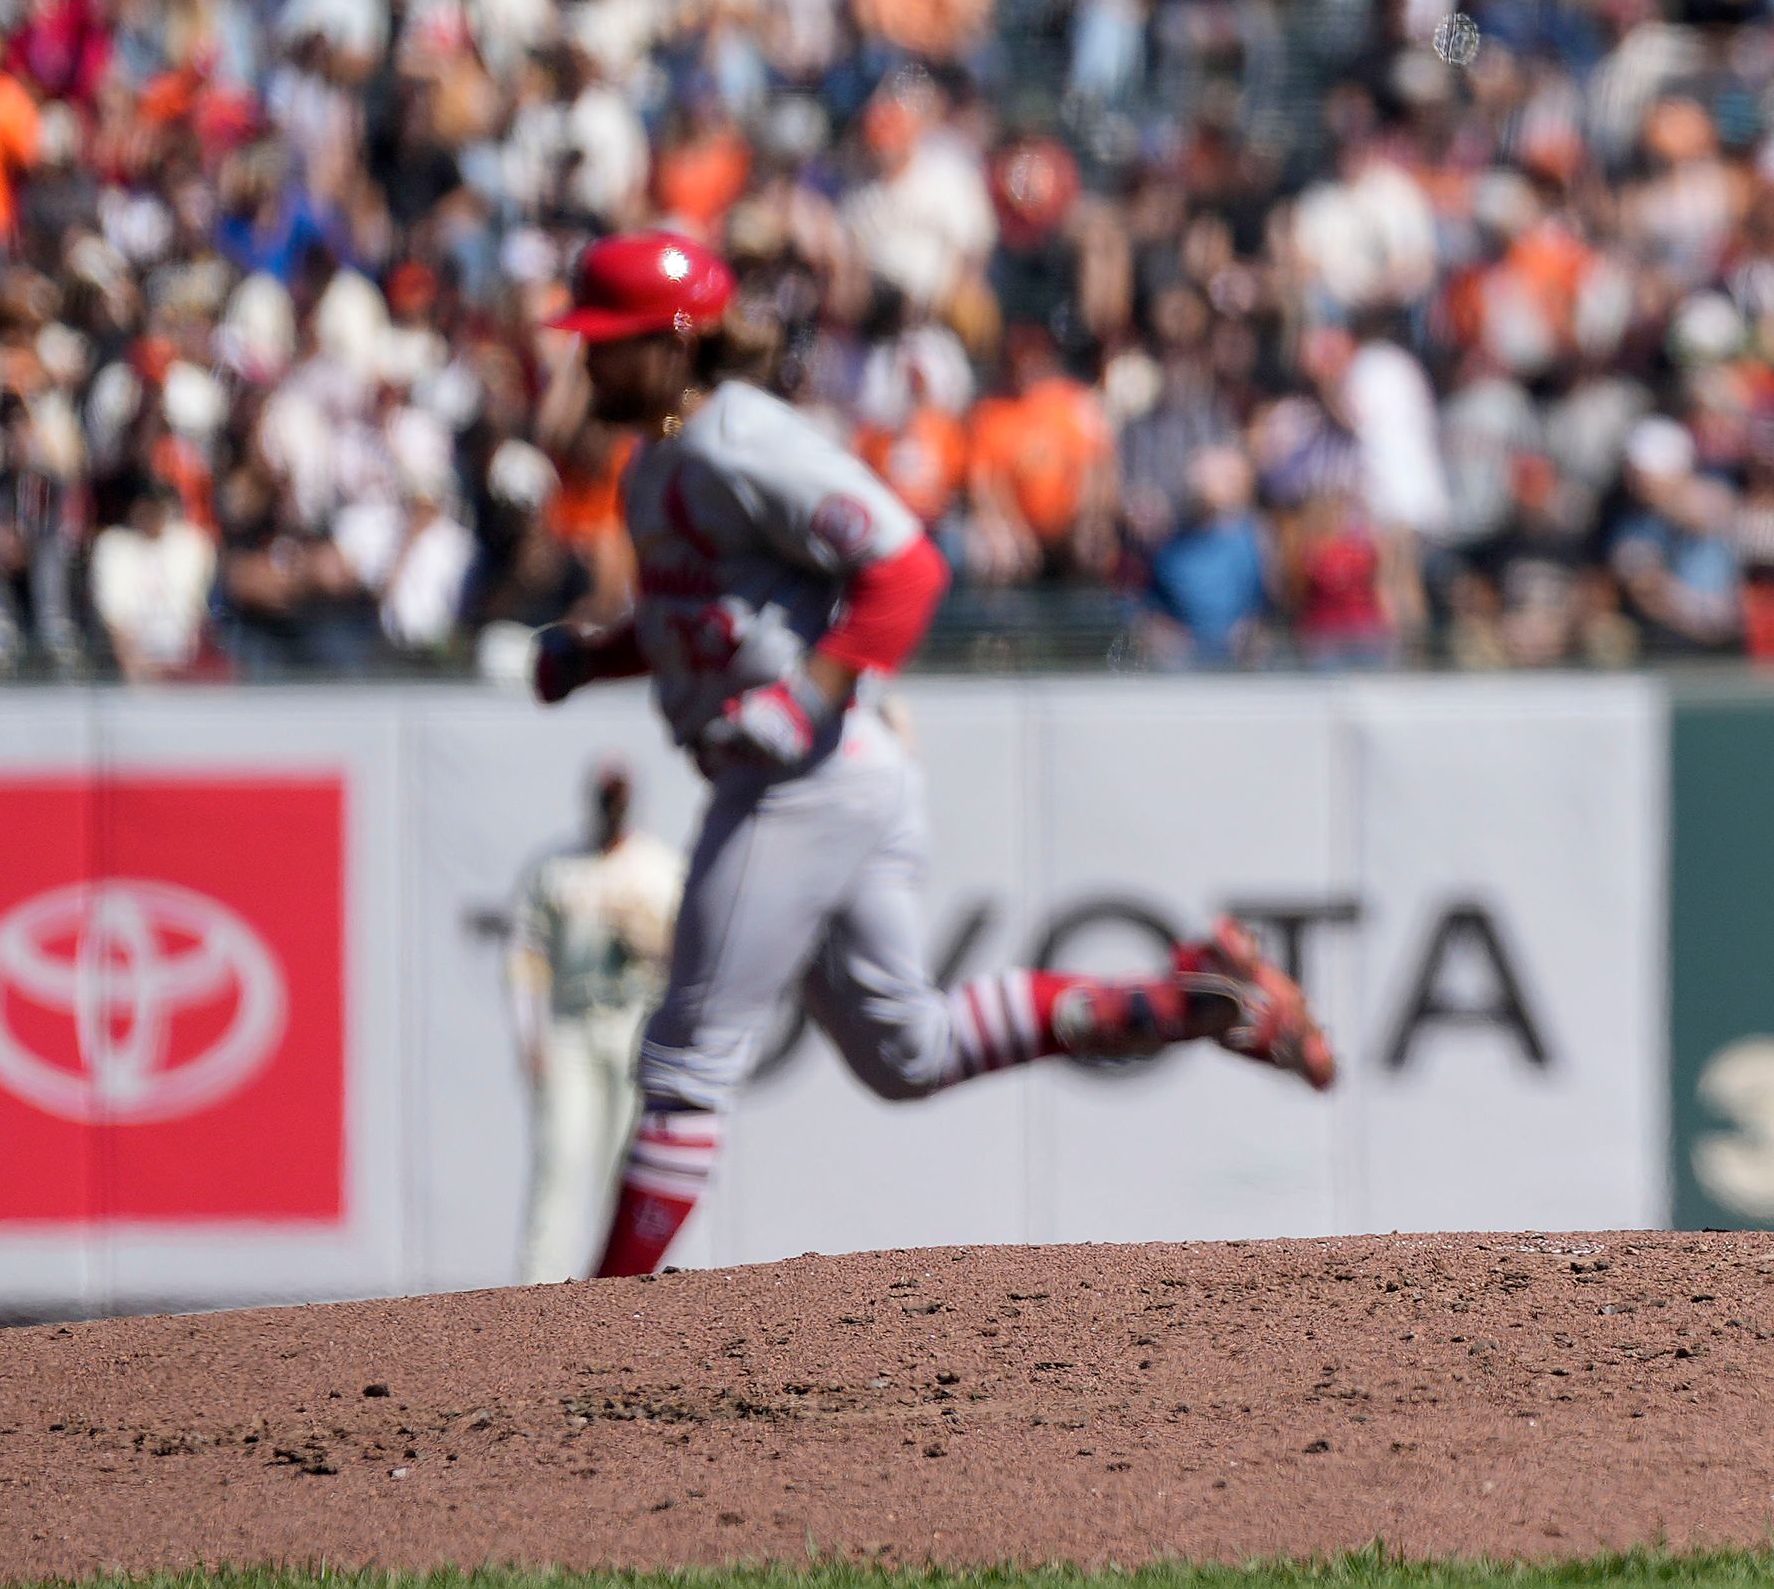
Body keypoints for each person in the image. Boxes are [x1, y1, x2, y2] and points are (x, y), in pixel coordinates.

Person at [527, 231, 1336, 1280]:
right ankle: (1195, 999)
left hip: (804, 773)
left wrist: (806, 697)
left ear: (677, 340)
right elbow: (707, 616)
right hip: (825, 765)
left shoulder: (741, 437)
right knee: (907, 1050)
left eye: (611, 341)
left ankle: (602, 1324)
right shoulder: (663, 459)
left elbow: (904, 563)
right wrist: (598, 657)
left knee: (687, 1058)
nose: (588, 362)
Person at [507, 762, 684, 1284]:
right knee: (560, 1154)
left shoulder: (661, 867)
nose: (613, 809)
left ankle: (625, 1282)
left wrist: (654, 943)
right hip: (571, 1023)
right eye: (607, 799)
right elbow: (525, 955)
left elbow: (694, 956)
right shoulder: (556, 869)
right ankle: (538, 1285)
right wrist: (527, 1032)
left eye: (620, 800)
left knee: (627, 1163)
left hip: (636, 1023)